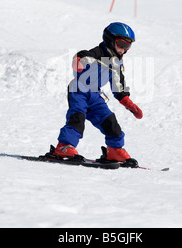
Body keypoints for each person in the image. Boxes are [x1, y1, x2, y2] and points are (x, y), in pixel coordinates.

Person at [55, 22, 143, 162]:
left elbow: (118, 85)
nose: (124, 50)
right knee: (77, 117)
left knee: (110, 122)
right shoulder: (98, 53)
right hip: (79, 91)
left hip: (95, 95)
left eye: (128, 46)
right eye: (122, 44)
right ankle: (64, 146)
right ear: (110, 39)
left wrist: (128, 103)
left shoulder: (116, 63)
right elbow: (83, 55)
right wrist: (79, 61)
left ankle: (114, 150)